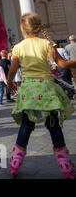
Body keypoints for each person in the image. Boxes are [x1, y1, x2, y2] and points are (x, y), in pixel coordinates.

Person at [7, 13, 76, 179]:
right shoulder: (47, 43)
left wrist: (10, 83)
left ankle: (15, 163)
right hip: (46, 90)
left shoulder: (18, 47)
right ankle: (65, 165)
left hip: (29, 90)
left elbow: (13, 70)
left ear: (22, 28)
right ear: (39, 27)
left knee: (26, 125)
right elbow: (63, 64)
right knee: (53, 125)